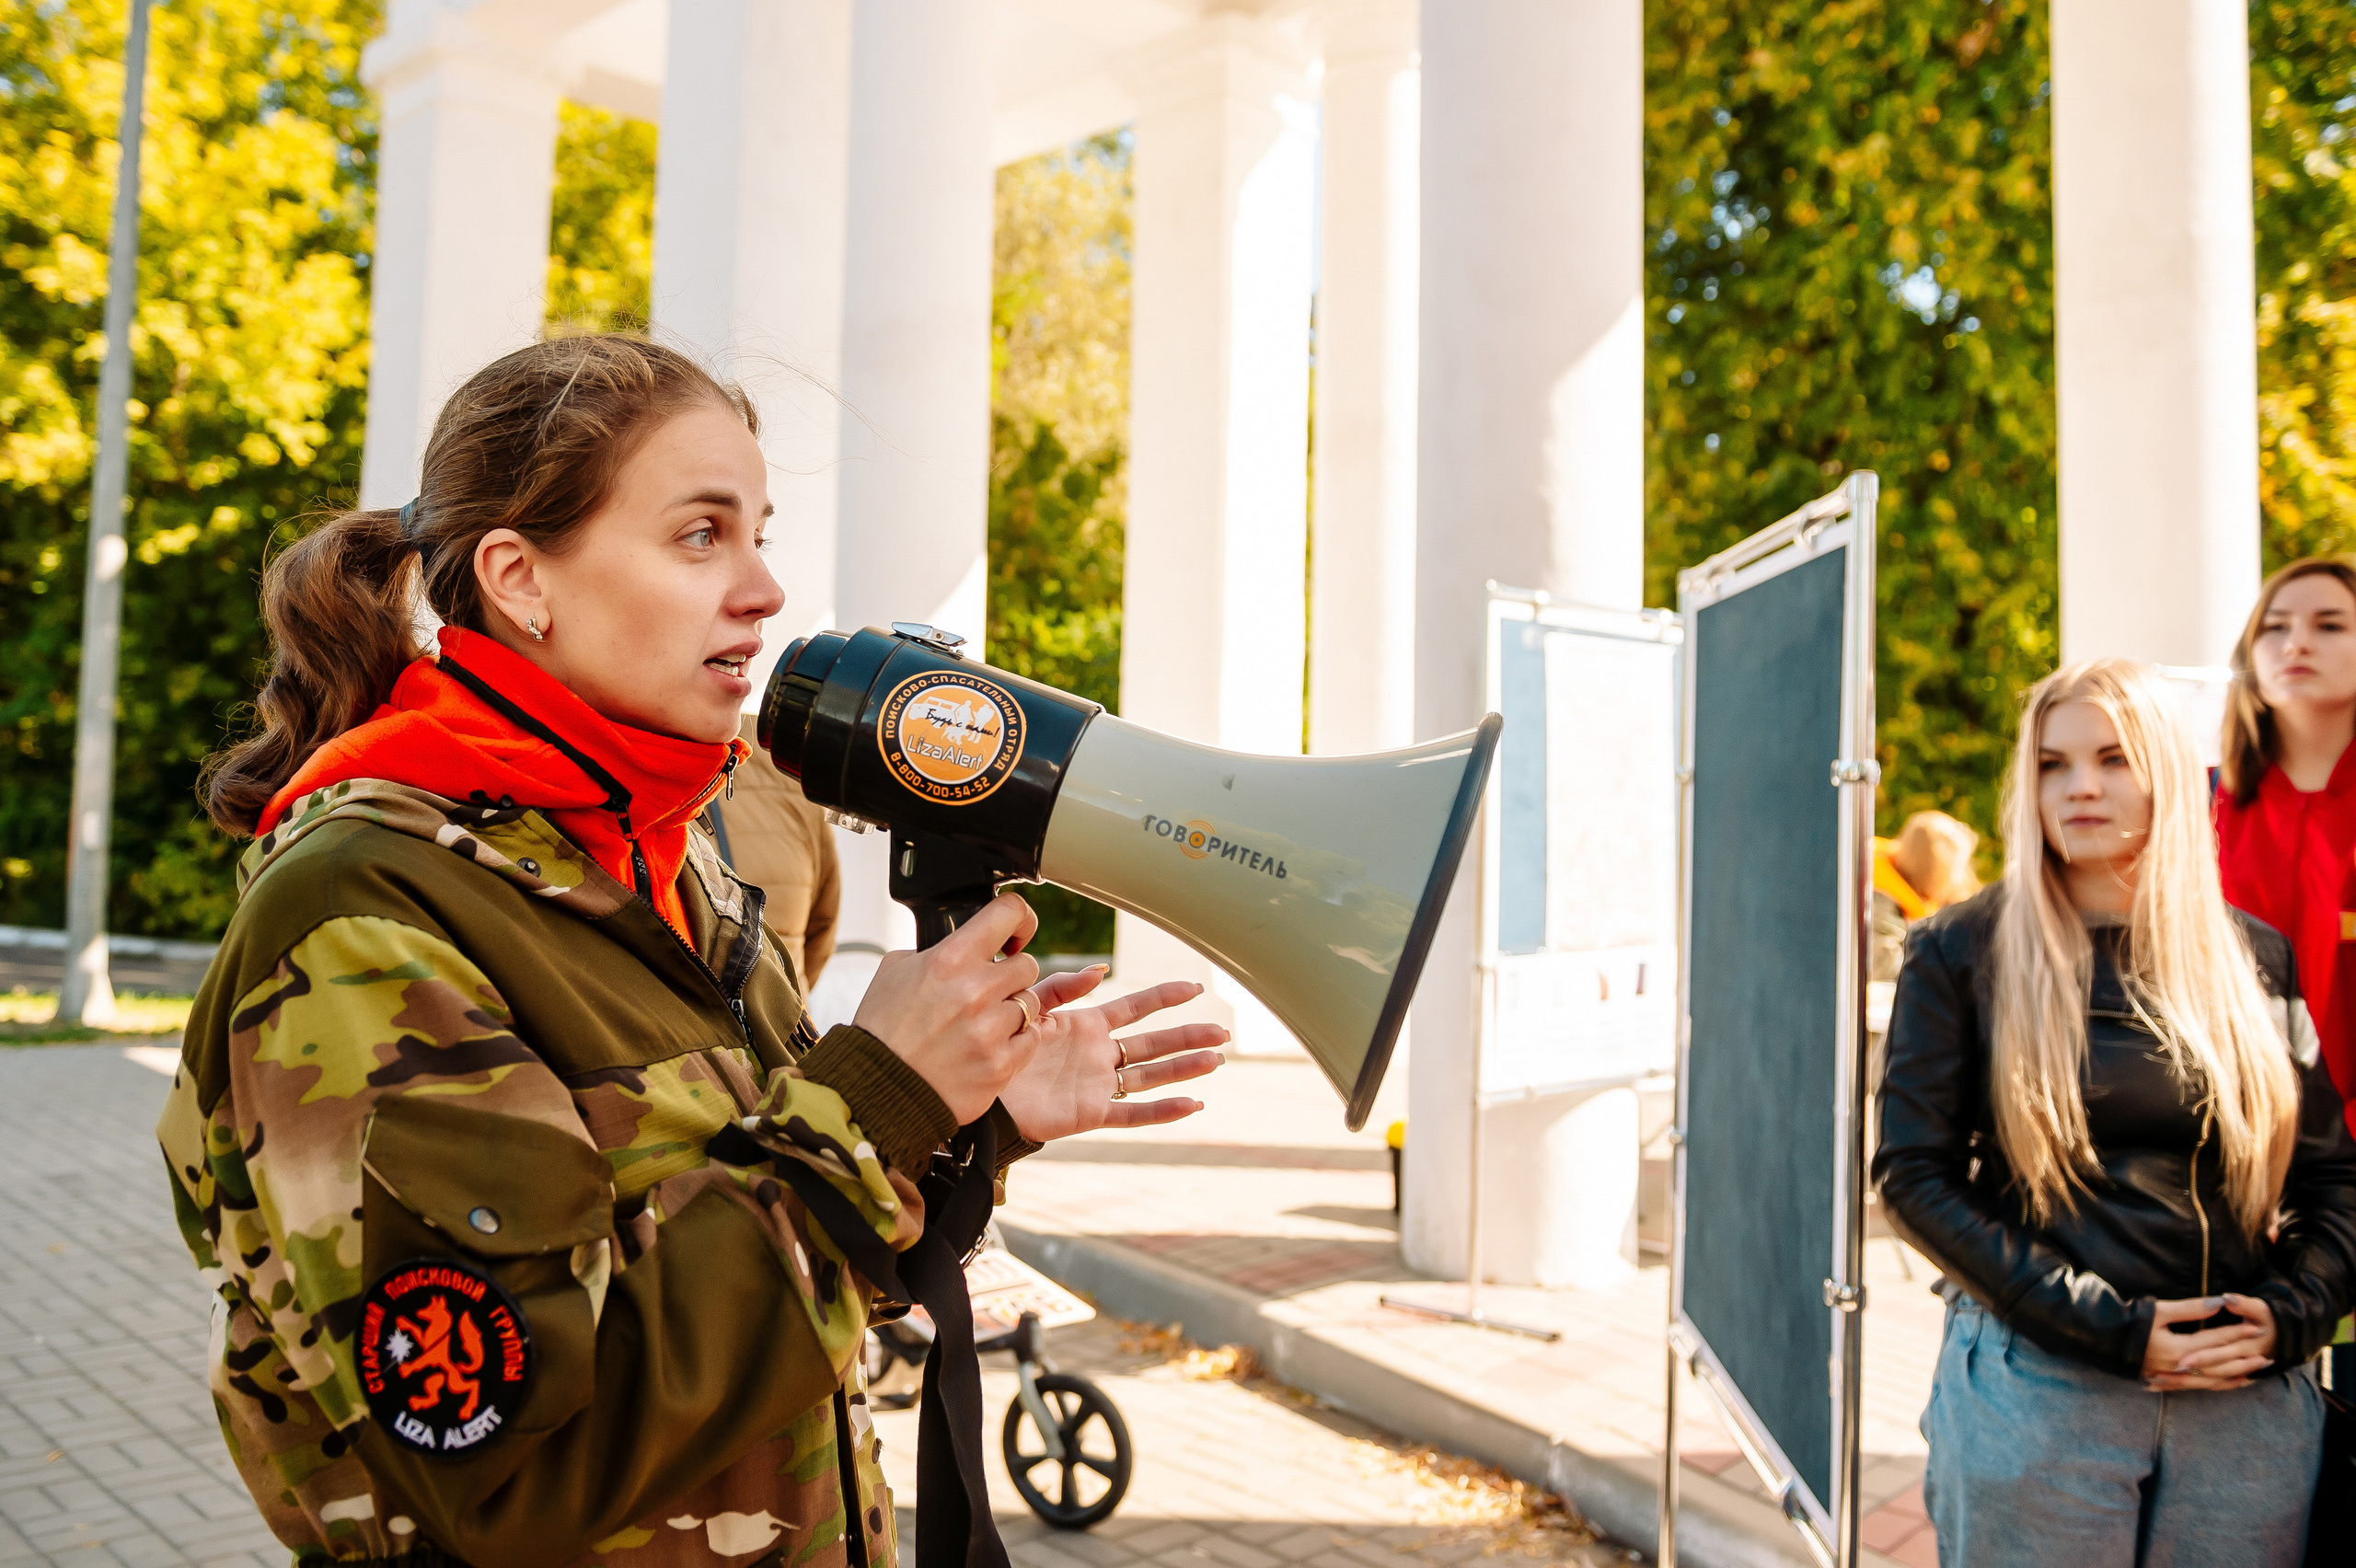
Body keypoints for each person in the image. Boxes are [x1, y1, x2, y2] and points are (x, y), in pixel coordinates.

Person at [160, 333, 1228, 1568]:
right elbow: (526, 1469)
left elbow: (779, 1257)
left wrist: (968, 1119)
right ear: (520, 578)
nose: (765, 588)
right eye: (699, 534)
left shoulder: (668, 855)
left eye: (759, 531)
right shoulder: (364, 918)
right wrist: (879, 1099)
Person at [1875, 657, 2356, 1565]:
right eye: (2052, 764)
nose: (2079, 787)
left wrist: (2293, 1312)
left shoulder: (2254, 958)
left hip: (2245, 1405)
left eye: (2111, 758)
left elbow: (2333, 1175)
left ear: (2168, 775)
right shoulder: (1958, 949)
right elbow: (1912, 1177)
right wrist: (2113, 1331)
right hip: (2042, 1392)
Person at [2216, 555, 2356, 1143]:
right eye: (2275, 627)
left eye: (2330, 625)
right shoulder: (2192, 810)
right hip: (2233, 1137)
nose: (2297, 642)